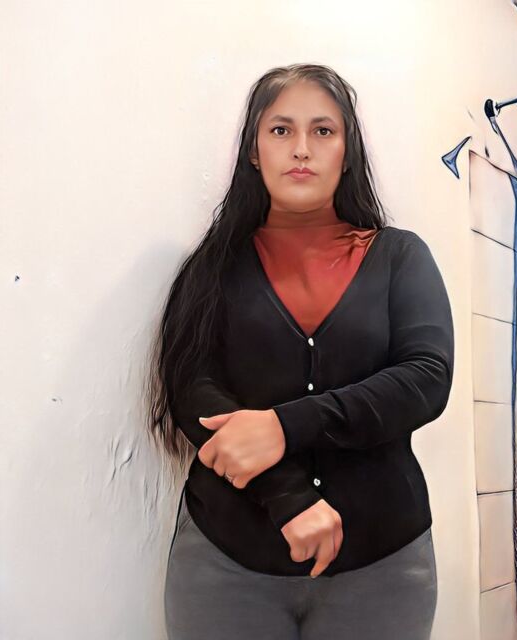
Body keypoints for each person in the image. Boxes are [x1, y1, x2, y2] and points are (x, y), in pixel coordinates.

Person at [147, 62, 454, 640]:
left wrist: (284, 427)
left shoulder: (400, 257)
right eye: (281, 129)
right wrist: (288, 498)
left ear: (347, 152)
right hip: (224, 564)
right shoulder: (211, 268)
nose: (302, 149)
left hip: (385, 565)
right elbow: (193, 391)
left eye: (323, 130)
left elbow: (425, 378)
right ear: (254, 151)